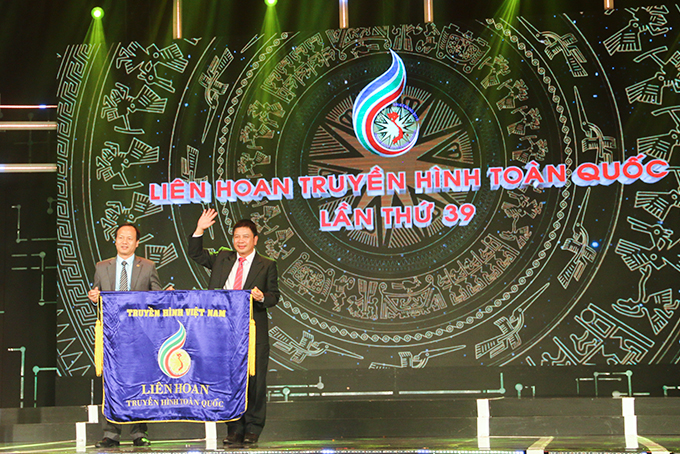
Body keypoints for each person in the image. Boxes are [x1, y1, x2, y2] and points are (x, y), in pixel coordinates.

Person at [188, 209, 279, 445]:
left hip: (252, 333)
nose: (240, 241)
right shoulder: (222, 258)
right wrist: (200, 229)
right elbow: (195, 254)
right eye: (237, 236)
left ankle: (253, 428)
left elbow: (274, 297)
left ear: (255, 240)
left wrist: (260, 297)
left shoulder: (266, 265)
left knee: (255, 381)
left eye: (245, 237)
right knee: (229, 380)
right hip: (223, 332)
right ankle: (234, 428)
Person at [88, 223, 162, 448]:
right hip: (112, 335)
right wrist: (94, 298)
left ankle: (139, 432)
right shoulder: (102, 267)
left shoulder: (147, 266)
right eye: (121, 237)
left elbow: (156, 298)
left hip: (139, 334)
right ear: (115, 240)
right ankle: (111, 434)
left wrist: (162, 297)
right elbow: (99, 300)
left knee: (139, 383)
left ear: (137, 243)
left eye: (129, 238)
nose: (124, 241)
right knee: (111, 384)